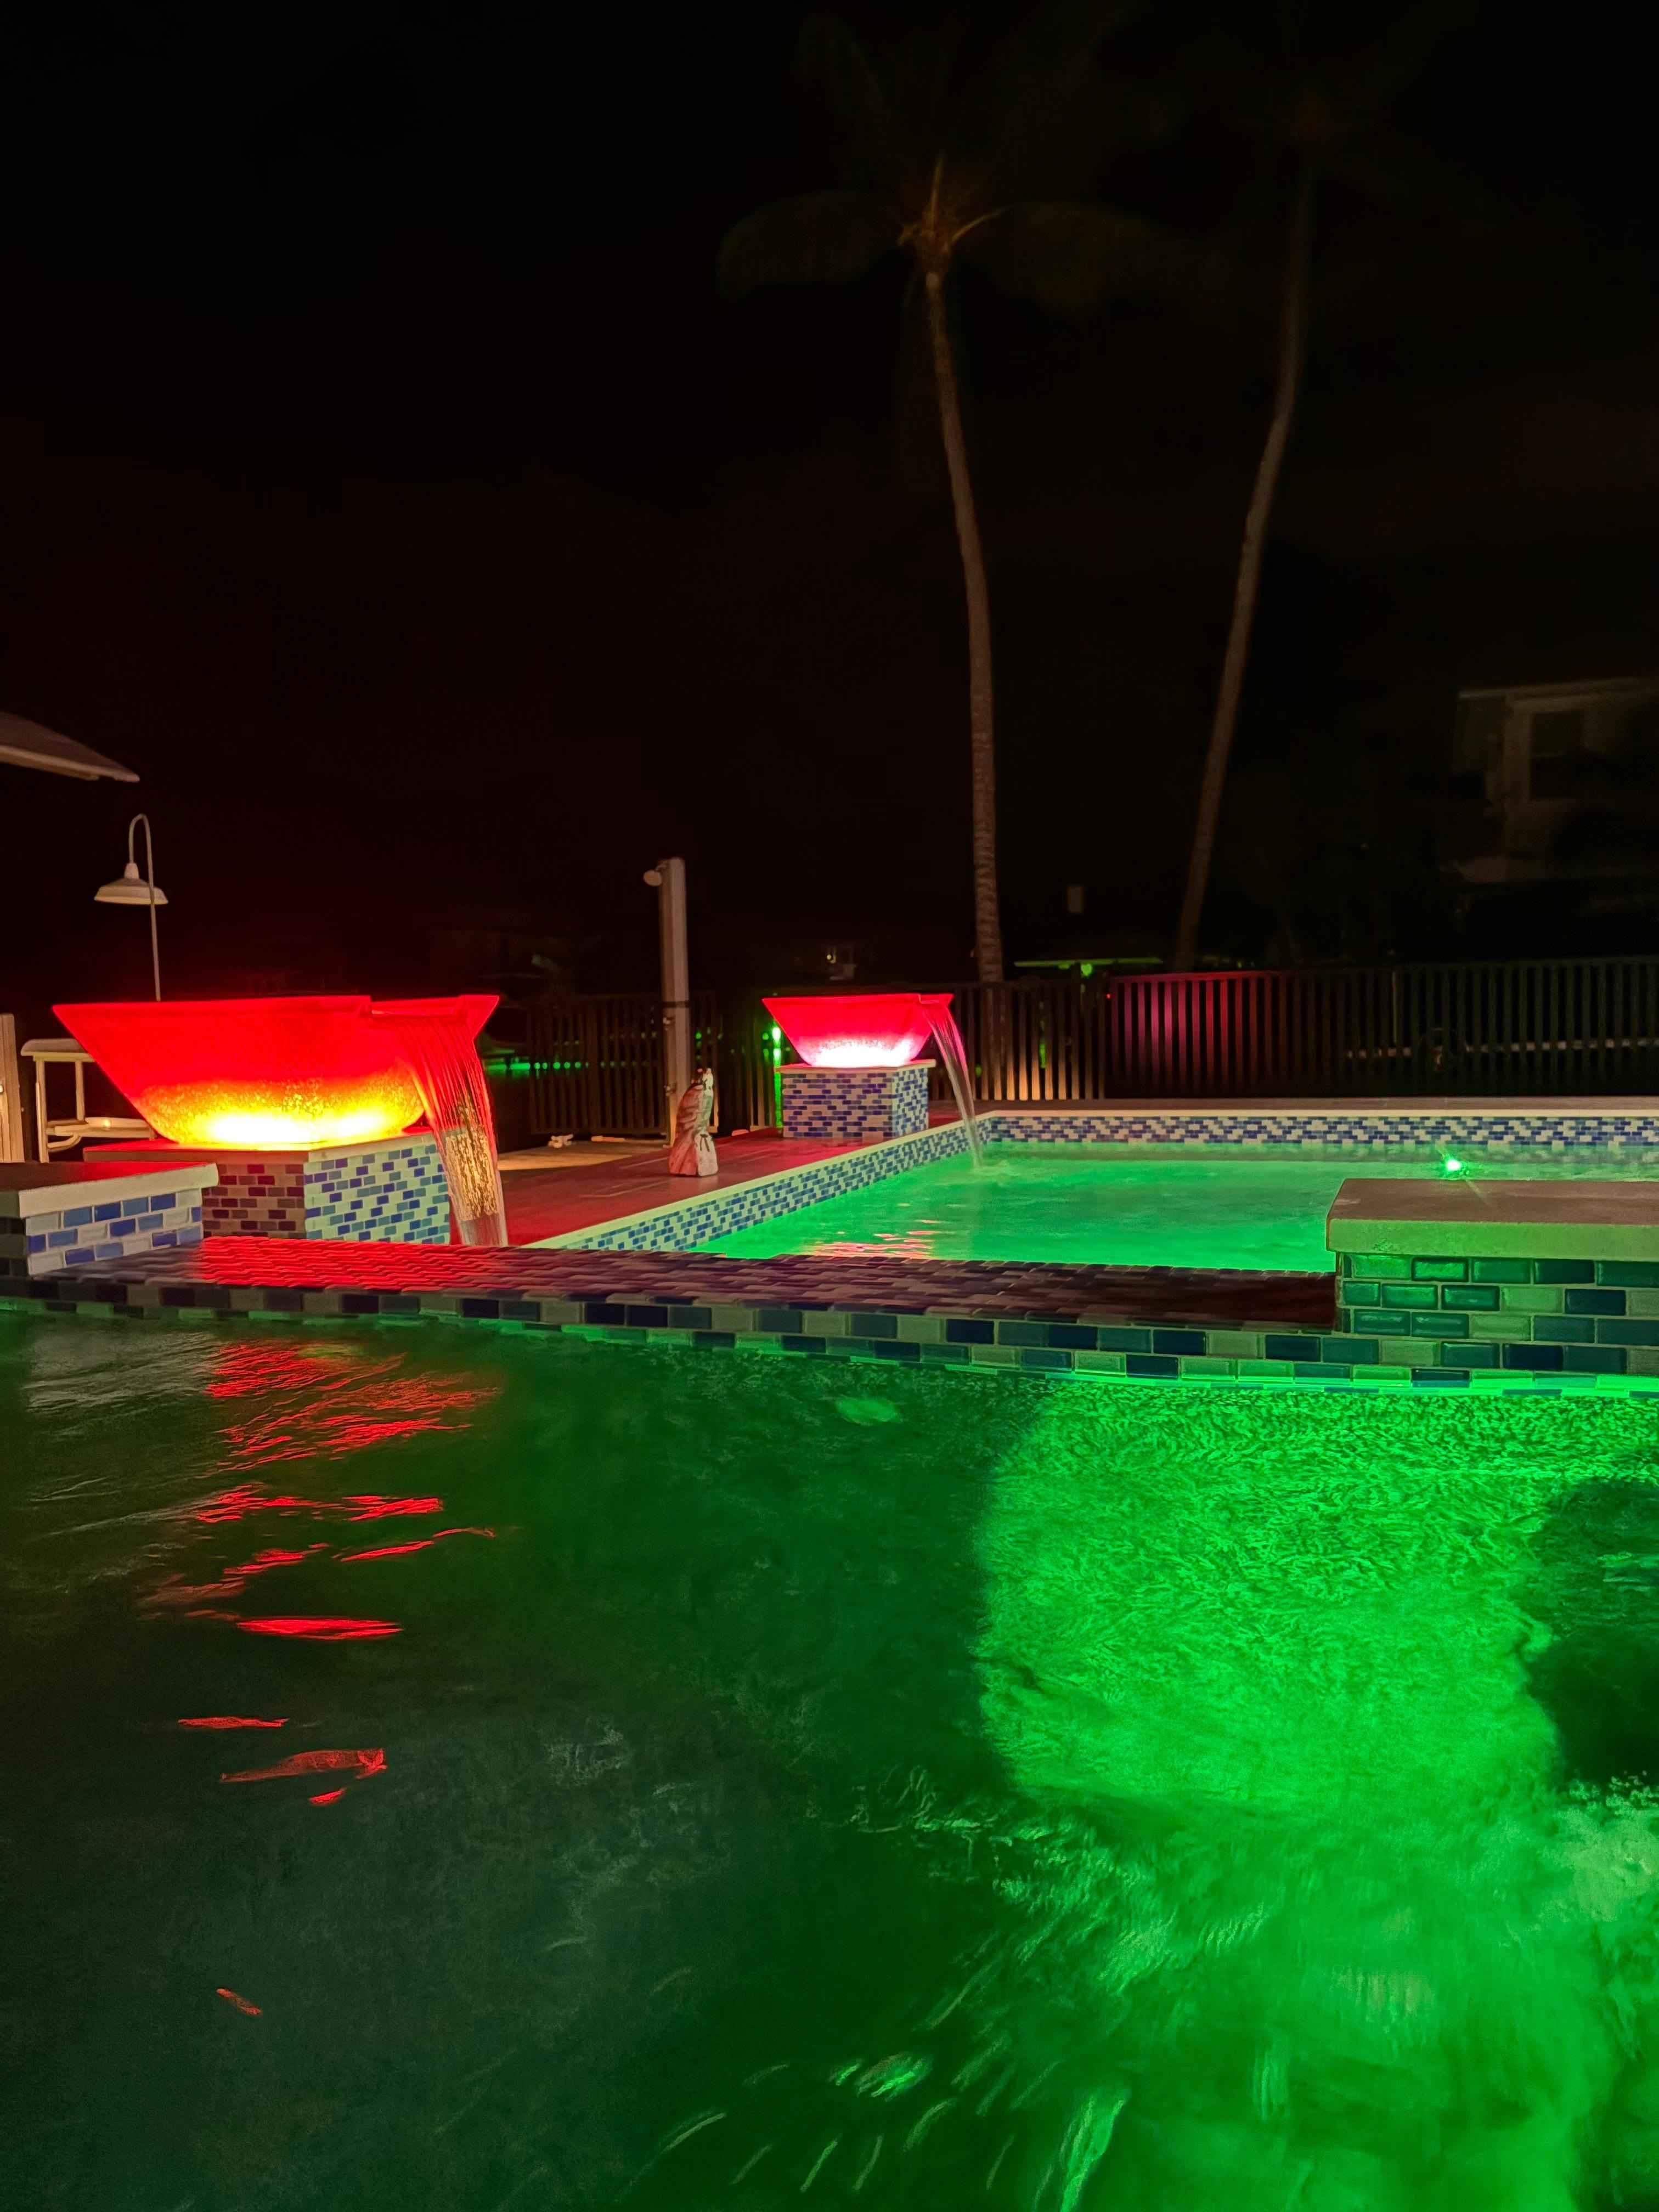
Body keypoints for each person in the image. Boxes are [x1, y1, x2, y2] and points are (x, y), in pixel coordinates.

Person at [667, 1066, 718, 1177]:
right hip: (696, 1131)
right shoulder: (705, 1091)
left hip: (693, 1130)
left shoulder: (698, 1092)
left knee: (689, 1143)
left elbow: (689, 1113)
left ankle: (688, 1166)